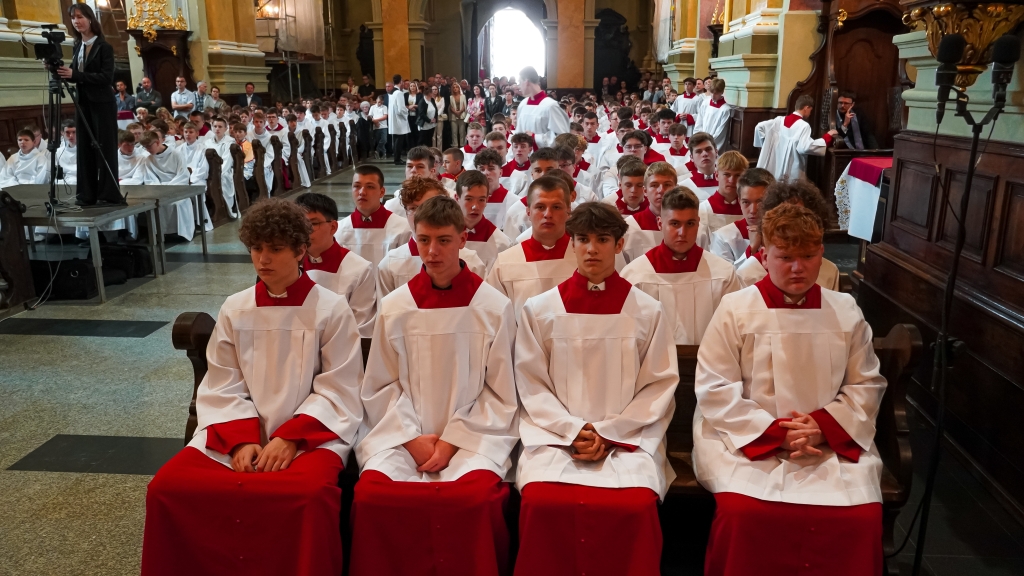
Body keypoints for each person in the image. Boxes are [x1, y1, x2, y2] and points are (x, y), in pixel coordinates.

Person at [142, 199, 364, 576]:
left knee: (308, 497)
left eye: (275, 249)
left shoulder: (330, 309)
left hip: (310, 436)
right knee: (167, 488)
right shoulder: (236, 308)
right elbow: (222, 382)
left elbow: (339, 386)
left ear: (300, 250)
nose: (263, 259)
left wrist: (289, 438)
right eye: (256, 248)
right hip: (237, 431)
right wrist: (241, 440)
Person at [693, 202, 886, 576]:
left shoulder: (845, 310)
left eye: (808, 256)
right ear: (765, 256)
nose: (798, 268)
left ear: (822, 254)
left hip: (826, 443)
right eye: (785, 257)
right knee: (744, 512)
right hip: (748, 441)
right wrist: (775, 434)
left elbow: (865, 383)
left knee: (861, 516)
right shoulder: (736, 309)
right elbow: (715, 386)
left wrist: (821, 427)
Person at [350, 195, 518, 576]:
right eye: (424, 240)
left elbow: (501, 392)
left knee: (475, 500)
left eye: (443, 240)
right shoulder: (396, 306)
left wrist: (452, 440)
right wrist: (411, 438)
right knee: (373, 497)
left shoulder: (493, 307)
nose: (432, 251)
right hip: (402, 437)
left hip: (473, 440)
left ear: (463, 239)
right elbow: (380, 385)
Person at [513, 201, 678, 576]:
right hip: (556, 440)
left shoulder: (647, 311)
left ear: (619, 245)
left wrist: (609, 432)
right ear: (571, 243)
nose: (592, 249)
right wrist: (573, 430)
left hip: (627, 441)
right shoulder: (539, 310)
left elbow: (659, 384)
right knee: (540, 501)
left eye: (602, 240)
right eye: (583, 239)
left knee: (636, 505)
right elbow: (531, 382)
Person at [621, 186, 741, 345]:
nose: (682, 232)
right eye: (675, 223)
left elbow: (734, 332)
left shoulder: (723, 274)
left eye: (690, 223)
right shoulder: (635, 275)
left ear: (698, 224)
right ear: (660, 223)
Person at [485, 175, 577, 322]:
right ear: (528, 212)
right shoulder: (506, 262)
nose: (548, 214)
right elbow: (493, 316)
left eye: (556, 207)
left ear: (568, 211)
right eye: (540, 207)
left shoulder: (584, 258)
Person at [377, 177, 487, 297]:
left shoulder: (471, 262)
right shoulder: (390, 264)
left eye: (428, 206)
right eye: (413, 208)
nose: (420, 214)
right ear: (406, 211)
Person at [57, 3, 122, 206]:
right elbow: (74, 74)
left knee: (104, 147)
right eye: (73, 18)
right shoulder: (78, 46)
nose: (76, 21)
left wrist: (76, 75)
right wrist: (56, 69)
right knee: (84, 147)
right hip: (83, 103)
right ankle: (87, 194)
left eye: (80, 17)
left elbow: (105, 77)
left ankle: (108, 194)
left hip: (102, 103)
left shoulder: (104, 47)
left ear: (90, 19)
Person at [293, 192, 377, 338]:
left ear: (333, 227)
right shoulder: (288, 265)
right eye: (299, 225)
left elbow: (361, 329)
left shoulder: (360, 270)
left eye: (313, 224)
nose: (304, 232)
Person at [734, 180, 842, 291]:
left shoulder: (829, 271)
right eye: (785, 215)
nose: (793, 223)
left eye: (801, 216)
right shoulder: (748, 273)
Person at [334, 165, 412, 268]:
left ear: (382, 192)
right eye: (357, 186)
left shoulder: (403, 228)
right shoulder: (339, 230)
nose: (362, 192)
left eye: (370, 187)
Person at [755, 94, 837, 181]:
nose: (810, 113)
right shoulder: (803, 125)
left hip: (775, 164)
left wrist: (763, 146)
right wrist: (827, 137)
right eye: (811, 110)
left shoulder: (779, 120)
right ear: (806, 108)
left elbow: (759, 127)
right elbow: (805, 147)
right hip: (791, 166)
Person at [138, 130, 196, 241]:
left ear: (157, 142)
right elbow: (150, 179)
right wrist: (160, 189)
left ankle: (181, 234)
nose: (147, 150)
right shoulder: (149, 159)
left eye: (149, 146)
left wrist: (167, 188)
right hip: (158, 191)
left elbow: (183, 175)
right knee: (154, 204)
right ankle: (160, 233)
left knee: (177, 204)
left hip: (177, 189)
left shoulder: (176, 154)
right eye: (145, 147)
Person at [711, 167, 774, 267]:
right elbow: (726, 276)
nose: (753, 210)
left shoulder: (786, 233)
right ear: (739, 201)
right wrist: (752, 249)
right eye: (746, 202)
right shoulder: (723, 238)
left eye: (760, 202)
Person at [456, 170, 513, 272]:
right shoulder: (444, 236)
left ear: (487, 200)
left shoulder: (502, 243)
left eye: (481, 200)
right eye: (469, 199)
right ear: (457, 198)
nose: (475, 206)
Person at [620, 161, 677, 262]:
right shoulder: (629, 227)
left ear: (676, 189)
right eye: (654, 185)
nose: (661, 190)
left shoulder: (688, 225)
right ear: (645, 191)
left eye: (667, 184)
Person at [696, 150, 749, 248]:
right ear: (717, 175)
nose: (732, 180)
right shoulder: (703, 210)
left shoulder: (750, 210)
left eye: (738, 175)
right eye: (727, 174)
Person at [514, 66, 570, 148]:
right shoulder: (522, 105)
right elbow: (518, 134)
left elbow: (562, 137)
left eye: (520, 82)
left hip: (544, 155)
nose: (519, 86)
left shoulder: (550, 106)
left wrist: (535, 137)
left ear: (526, 82)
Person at [678, 132, 719, 202]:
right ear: (691, 157)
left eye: (708, 149)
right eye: (699, 151)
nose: (705, 154)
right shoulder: (683, 188)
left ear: (716, 152)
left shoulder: (729, 183)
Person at [387, 75, 412, 165]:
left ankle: (396, 158)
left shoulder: (392, 92)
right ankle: (397, 159)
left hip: (393, 119)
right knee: (399, 140)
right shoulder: (399, 93)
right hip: (399, 120)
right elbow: (401, 108)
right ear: (401, 82)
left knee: (395, 140)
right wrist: (407, 111)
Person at [55, 120, 78, 185]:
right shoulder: (59, 152)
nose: (71, 135)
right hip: (65, 181)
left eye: (74, 132)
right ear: (62, 133)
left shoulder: (86, 150)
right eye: (67, 132)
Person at [368, 94, 389, 159]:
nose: (380, 103)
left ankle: (377, 150)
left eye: (381, 102)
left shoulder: (384, 107)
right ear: (376, 100)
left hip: (384, 126)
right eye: (379, 102)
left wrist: (376, 120)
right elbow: (370, 116)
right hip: (376, 127)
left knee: (384, 140)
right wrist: (375, 122)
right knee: (378, 140)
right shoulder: (372, 107)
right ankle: (383, 154)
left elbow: (385, 116)